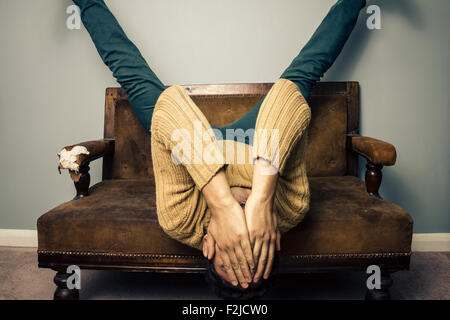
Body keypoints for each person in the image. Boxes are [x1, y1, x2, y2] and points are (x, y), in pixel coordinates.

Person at [73, 0, 367, 298]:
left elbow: (172, 104)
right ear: (274, 240)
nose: (242, 237)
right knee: (307, 69)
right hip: (254, 140)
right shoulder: (290, 209)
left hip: (193, 143)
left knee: (129, 70)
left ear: (208, 246)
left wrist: (222, 204)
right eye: (253, 249)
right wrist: (262, 199)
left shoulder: (180, 219)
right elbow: (288, 95)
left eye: (232, 250)